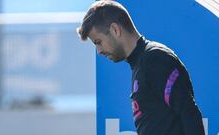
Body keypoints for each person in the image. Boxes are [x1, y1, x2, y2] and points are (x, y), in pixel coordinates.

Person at [77, 0, 205, 135]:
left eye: (98, 42)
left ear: (115, 30)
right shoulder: (140, 63)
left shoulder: (154, 59)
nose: (99, 51)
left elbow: (189, 112)